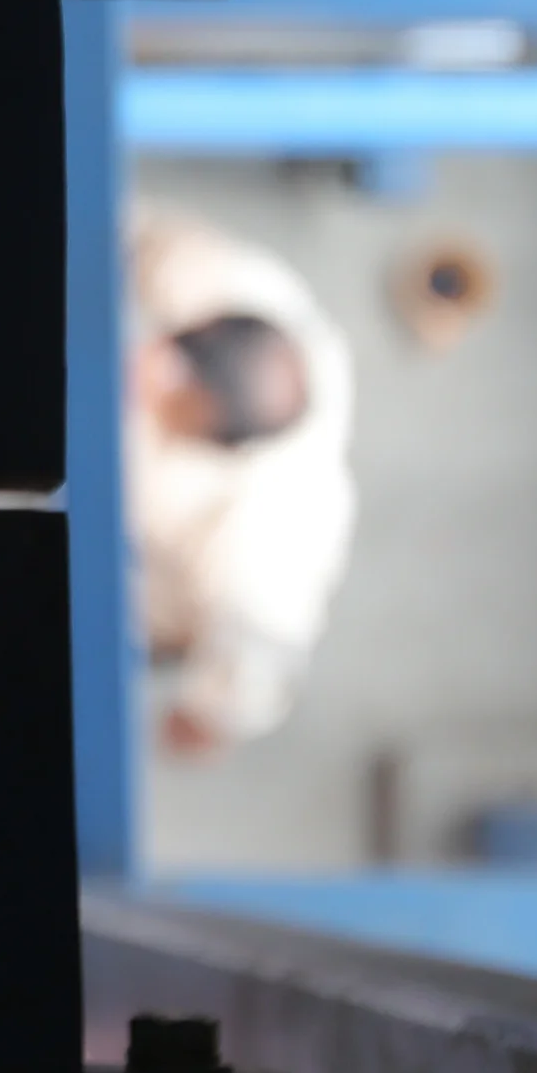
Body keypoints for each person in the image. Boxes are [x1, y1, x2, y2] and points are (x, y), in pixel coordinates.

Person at [126, 206, 357, 755]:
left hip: (131, 587)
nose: (152, 374)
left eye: (175, 399)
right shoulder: (243, 286)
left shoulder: (267, 548)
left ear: (222, 444)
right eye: (174, 350)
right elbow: (118, 225)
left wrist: (199, 711)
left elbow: (240, 700)